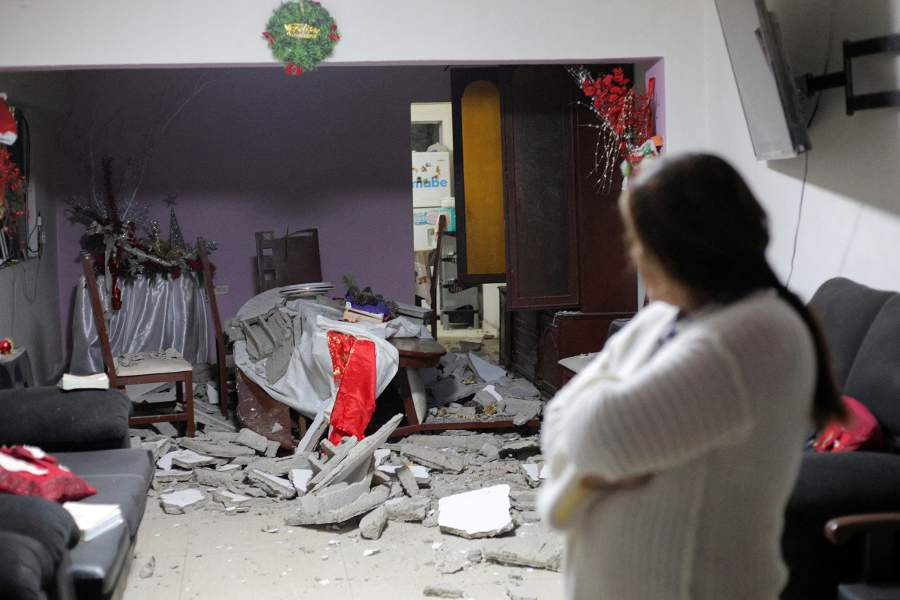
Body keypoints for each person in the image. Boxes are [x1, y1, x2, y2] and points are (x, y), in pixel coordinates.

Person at [539, 153, 844, 600]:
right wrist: (592, 454)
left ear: (688, 245)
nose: (634, 256)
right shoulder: (665, 318)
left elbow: (590, 435)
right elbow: (559, 417)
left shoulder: (754, 334)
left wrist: (587, 448)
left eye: (642, 242)